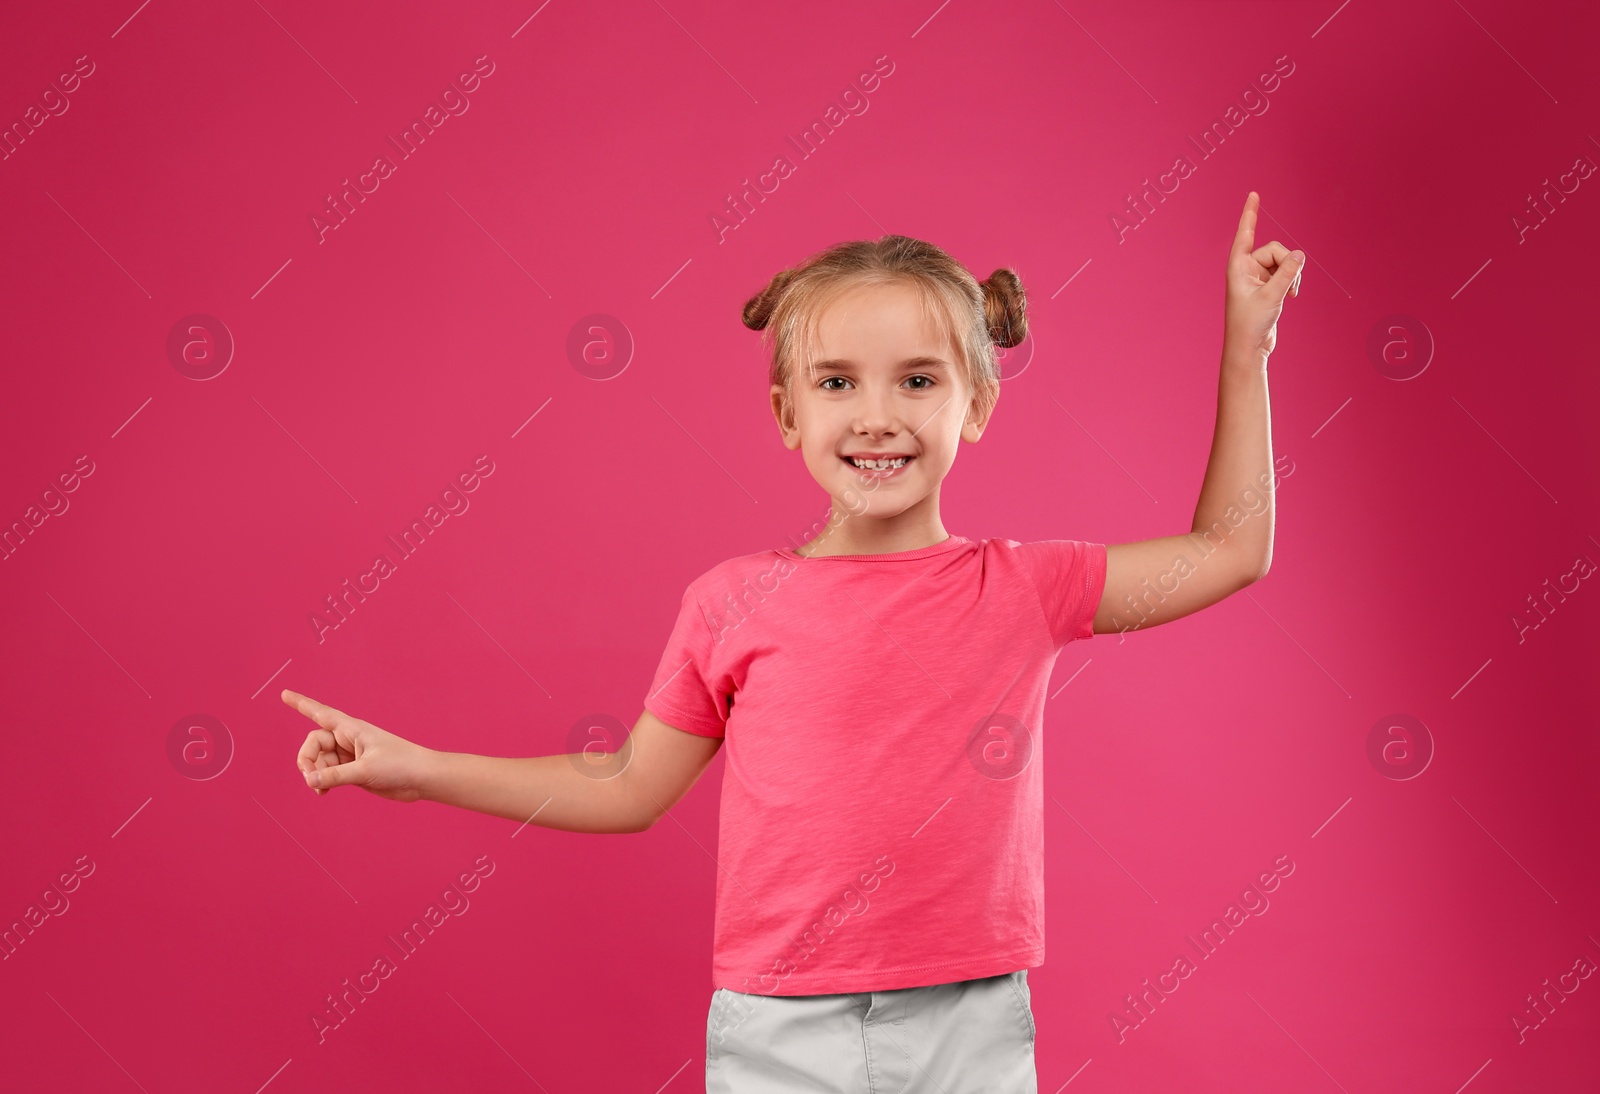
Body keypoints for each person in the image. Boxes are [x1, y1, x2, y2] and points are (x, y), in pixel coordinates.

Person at [285, 192, 1303, 1092]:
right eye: (835, 383)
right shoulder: (731, 601)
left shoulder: (1024, 585)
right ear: (784, 411)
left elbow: (1229, 548)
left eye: (916, 381)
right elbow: (629, 785)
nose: (876, 416)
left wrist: (1244, 347)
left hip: (967, 1021)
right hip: (779, 1027)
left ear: (977, 404)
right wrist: (420, 770)